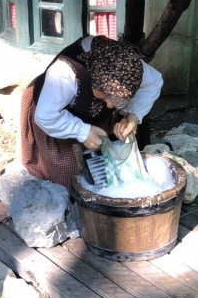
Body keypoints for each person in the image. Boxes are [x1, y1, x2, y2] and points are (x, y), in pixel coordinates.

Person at [19, 35, 164, 188]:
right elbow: (46, 116)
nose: (110, 106)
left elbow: (154, 82)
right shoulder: (63, 74)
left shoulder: (127, 65)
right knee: (71, 174)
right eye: (106, 97)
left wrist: (133, 115)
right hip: (54, 112)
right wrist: (83, 131)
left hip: (89, 110)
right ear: (94, 80)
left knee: (106, 165)